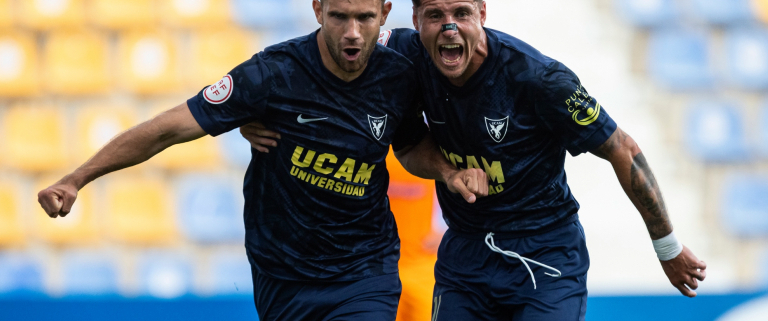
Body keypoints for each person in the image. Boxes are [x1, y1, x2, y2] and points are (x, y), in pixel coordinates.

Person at [241, 0, 708, 319]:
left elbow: (622, 148)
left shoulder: (538, 80)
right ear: (415, 20)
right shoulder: (402, 52)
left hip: (544, 255)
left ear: (482, 13)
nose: (449, 26)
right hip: (465, 255)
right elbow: (322, 50)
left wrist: (667, 247)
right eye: (435, 14)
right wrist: (257, 107)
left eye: (462, 12)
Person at [36, 0, 488, 320]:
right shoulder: (270, 75)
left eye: (365, 18)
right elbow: (171, 127)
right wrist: (78, 178)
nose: (352, 32)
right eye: (340, 17)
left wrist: (448, 171)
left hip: (363, 268)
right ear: (317, 9)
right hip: (283, 272)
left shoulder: (402, 70)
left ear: (384, 14)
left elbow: (409, 143)